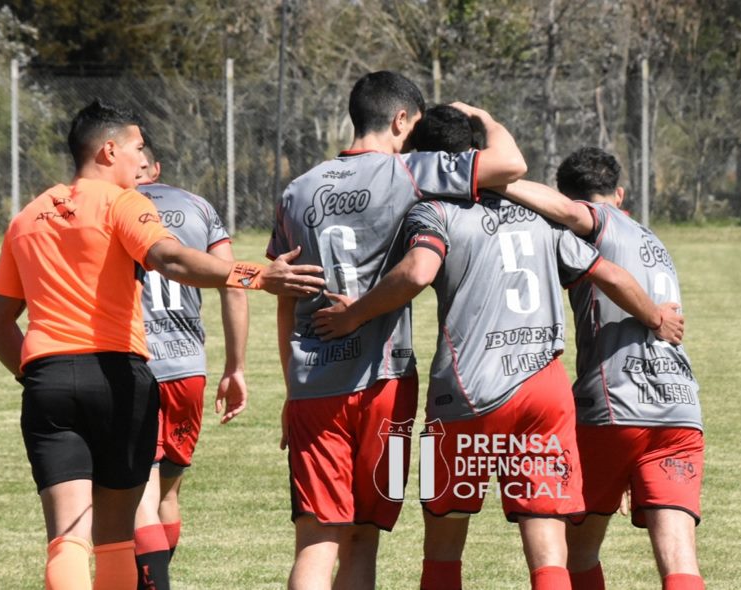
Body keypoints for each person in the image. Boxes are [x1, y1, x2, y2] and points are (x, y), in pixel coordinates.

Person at [312, 106, 684, 590]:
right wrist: (656, 317)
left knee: (443, 542)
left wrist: (355, 313)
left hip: (465, 395)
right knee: (547, 545)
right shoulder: (540, 216)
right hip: (544, 394)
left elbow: (417, 271)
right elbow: (610, 274)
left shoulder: (433, 211)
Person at [0, 99, 324, 590]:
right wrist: (257, 275)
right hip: (118, 379)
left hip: (48, 380)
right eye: (137, 148)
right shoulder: (124, 203)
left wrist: (37, 375)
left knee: (67, 539)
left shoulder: (27, 218)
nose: (142, 160)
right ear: (108, 151)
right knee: (116, 539)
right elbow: (170, 258)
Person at [267, 72, 528, 590]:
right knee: (364, 538)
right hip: (388, 386)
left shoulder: (296, 191)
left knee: (316, 540)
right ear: (401, 119)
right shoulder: (410, 171)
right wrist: (482, 117)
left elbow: (285, 299)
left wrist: (291, 389)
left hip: (314, 386)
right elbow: (511, 164)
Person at [501, 147, 705, 590]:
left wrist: (495, 177)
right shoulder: (651, 238)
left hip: (616, 403)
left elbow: (573, 215)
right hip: (679, 409)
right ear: (621, 192)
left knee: (575, 551)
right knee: (680, 559)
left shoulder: (598, 222)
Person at [131, 132, 250, 589]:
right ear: (156, 168)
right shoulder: (198, 206)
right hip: (188, 369)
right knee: (167, 493)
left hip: (137, 365)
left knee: (138, 495)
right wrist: (235, 367)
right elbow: (233, 285)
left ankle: (152, 584)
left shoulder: (116, 207)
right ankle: (158, 577)